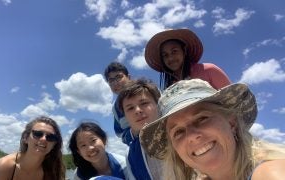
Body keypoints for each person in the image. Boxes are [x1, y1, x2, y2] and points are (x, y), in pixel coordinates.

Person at [140, 79, 285, 180]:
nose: (192, 136)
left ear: (232, 122)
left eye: (201, 119)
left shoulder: (270, 173)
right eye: (178, 132)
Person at [145, 28, 231, 90]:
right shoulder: (170, 88)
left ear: (184, 50)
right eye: (165, 55)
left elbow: (235, 101)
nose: (170, 58)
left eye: (174, 51)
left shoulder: (209, 70)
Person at [117, 78, 167, 180]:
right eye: (130, 108)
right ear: (126, 117)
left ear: (158, 104)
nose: (137, 110)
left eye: (144, 103)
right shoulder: (131, 155)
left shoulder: (182, 134)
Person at [0, 116, 65, 180]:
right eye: (37, 134)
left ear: (54, 145)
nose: (44, 139)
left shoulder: (53, 170)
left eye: (51, 137)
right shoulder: (6, 165)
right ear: (26, 138)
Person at [104, 62, 132, 146]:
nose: (115, 83)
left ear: (129, 77)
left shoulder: (146, 92)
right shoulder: (115, 108)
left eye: (119, 77)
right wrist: (132, 135)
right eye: (111, 80)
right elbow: (119, 132)